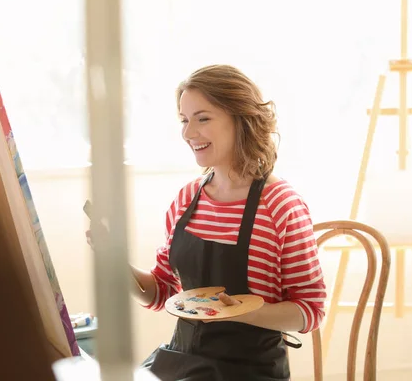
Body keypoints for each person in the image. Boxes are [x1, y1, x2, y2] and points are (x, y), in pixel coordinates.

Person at [89, 65, 326, 381]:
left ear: (239, 119)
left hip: (248, 370)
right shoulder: (187, 198)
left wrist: (241, 311)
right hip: (183, 361)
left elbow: (310, 310)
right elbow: (160, 292)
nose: (188, 133)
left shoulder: (280, 205)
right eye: (185, 121)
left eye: (203, 118)